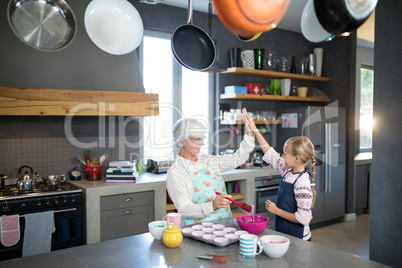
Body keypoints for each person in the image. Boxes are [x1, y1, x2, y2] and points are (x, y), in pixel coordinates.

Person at [166, 113, 255, 226]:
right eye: (197, 139)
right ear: (183, 140)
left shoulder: (207, 161)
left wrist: (249, 134)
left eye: (202, 138)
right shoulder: (175, 172)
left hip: (224, 225)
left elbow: (238, 158)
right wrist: (212, 205)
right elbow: (183, 208)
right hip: (197, 230)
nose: (202, 143)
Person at [243, 108, 316, 241]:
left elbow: (303, 219)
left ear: (297, 159)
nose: (281, 157)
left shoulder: (302, 183)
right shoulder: (288, 171)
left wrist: (276, 211)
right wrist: (255, 130)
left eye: (285, 154)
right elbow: (270, 153)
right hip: (284, 233)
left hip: (299, 239)